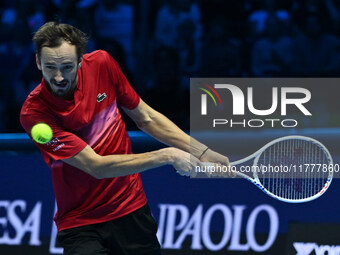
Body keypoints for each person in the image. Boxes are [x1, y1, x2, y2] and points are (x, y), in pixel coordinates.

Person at [20, 22, 232, 255]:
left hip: (130, 209)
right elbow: (95, 165)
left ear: (81, 60)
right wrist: (167, 155)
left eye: (67, 67)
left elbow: (146, 117)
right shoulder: (35, 115)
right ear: (38, 62)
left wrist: (203, 152)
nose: (59, 77)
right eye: (50, 67)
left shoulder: (102, 64)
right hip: (80, 222)